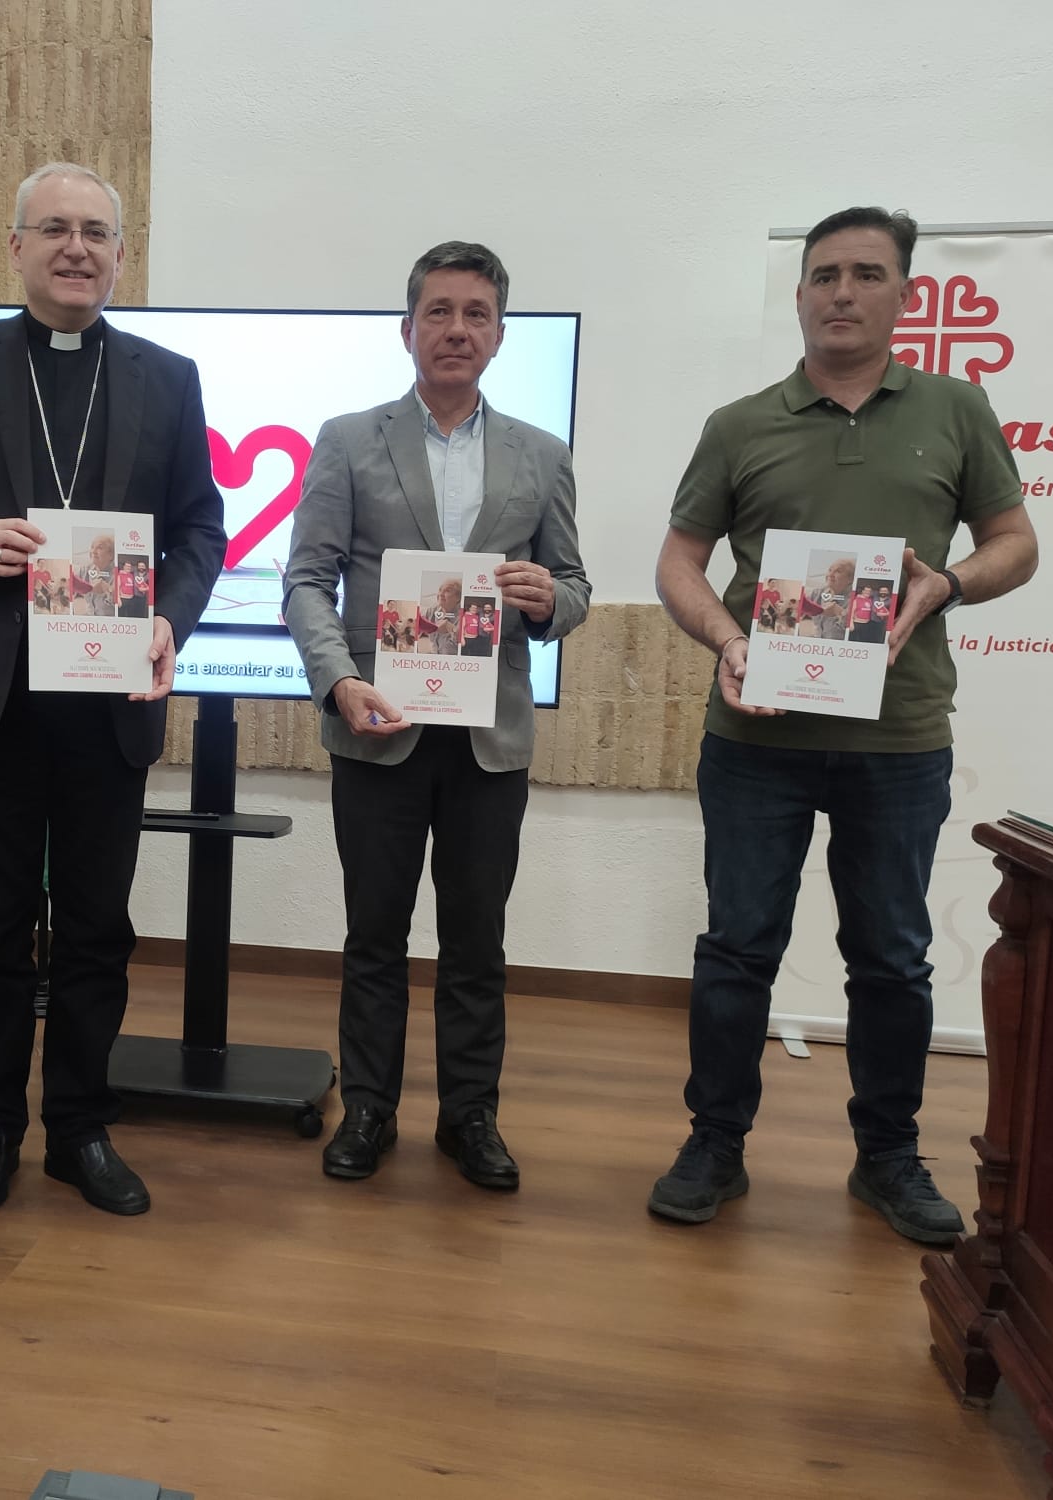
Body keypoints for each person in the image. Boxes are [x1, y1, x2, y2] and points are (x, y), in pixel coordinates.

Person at [649, 206, 1038, 1244]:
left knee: (890, 958)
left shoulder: (956, 411)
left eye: (865, 273)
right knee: (735, 948)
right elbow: (677, 564)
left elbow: (1014, 544)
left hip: (897, 740)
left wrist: (943, 585)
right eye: (823, 274)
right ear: (799, 294)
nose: (841, 291)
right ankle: (713, 1144)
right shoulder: (740, 423)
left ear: (902, 294)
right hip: (754, 739)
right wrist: (728, 641)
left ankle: (887, 1159)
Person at [0, 162, 228, 1218]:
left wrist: (170, 617)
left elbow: (201, 528)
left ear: (120, 253)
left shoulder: (167, 376)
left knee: (95, 928)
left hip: (109, 703)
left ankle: (79, 1127)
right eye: (55, 230)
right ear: (16, 247)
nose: (78, 249)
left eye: (97, 233)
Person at [284, 241, 591, 1191]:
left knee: (475, 938)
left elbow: (575, 588)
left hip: (489, 739)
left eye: (477, 314)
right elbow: (306, 581)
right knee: (374, 932)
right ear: (407, 326)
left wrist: (548, 598)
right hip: (377, 726)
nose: (457, 329)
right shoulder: (347, 437)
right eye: (440, 311)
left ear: (499, 335)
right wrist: (339, 682)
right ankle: (370, 1107)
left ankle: (470, 1117)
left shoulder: (543, 455)